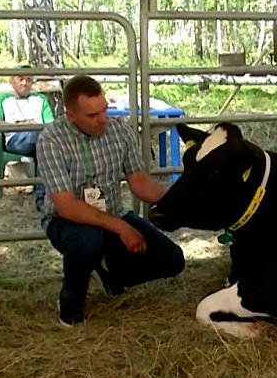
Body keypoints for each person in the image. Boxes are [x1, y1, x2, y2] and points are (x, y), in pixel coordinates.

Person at [35, 74, 185, 328]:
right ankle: (70, 306)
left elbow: (140, 183)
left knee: (172, 260)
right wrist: (122, 227)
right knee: (87, 242)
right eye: (92, 116)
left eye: (104, 110)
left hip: (112, 212)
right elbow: (66, 206)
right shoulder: (50, 140)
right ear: (70, 115)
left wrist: (182, 201)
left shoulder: (119, 130)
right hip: (66, 220)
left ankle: (109, 272)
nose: (103, 119)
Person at [0, 63, 54, 205]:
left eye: (29, 79)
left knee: (46, 142)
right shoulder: (4, 99)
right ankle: (42, 196)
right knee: (44, 140)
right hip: (16, 140)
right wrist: (18, 126)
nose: (24, 83)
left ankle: (44, 195)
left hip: (41, 138)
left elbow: (50, 124)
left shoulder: (40, 99)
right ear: (12, 80)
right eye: (21, 78)